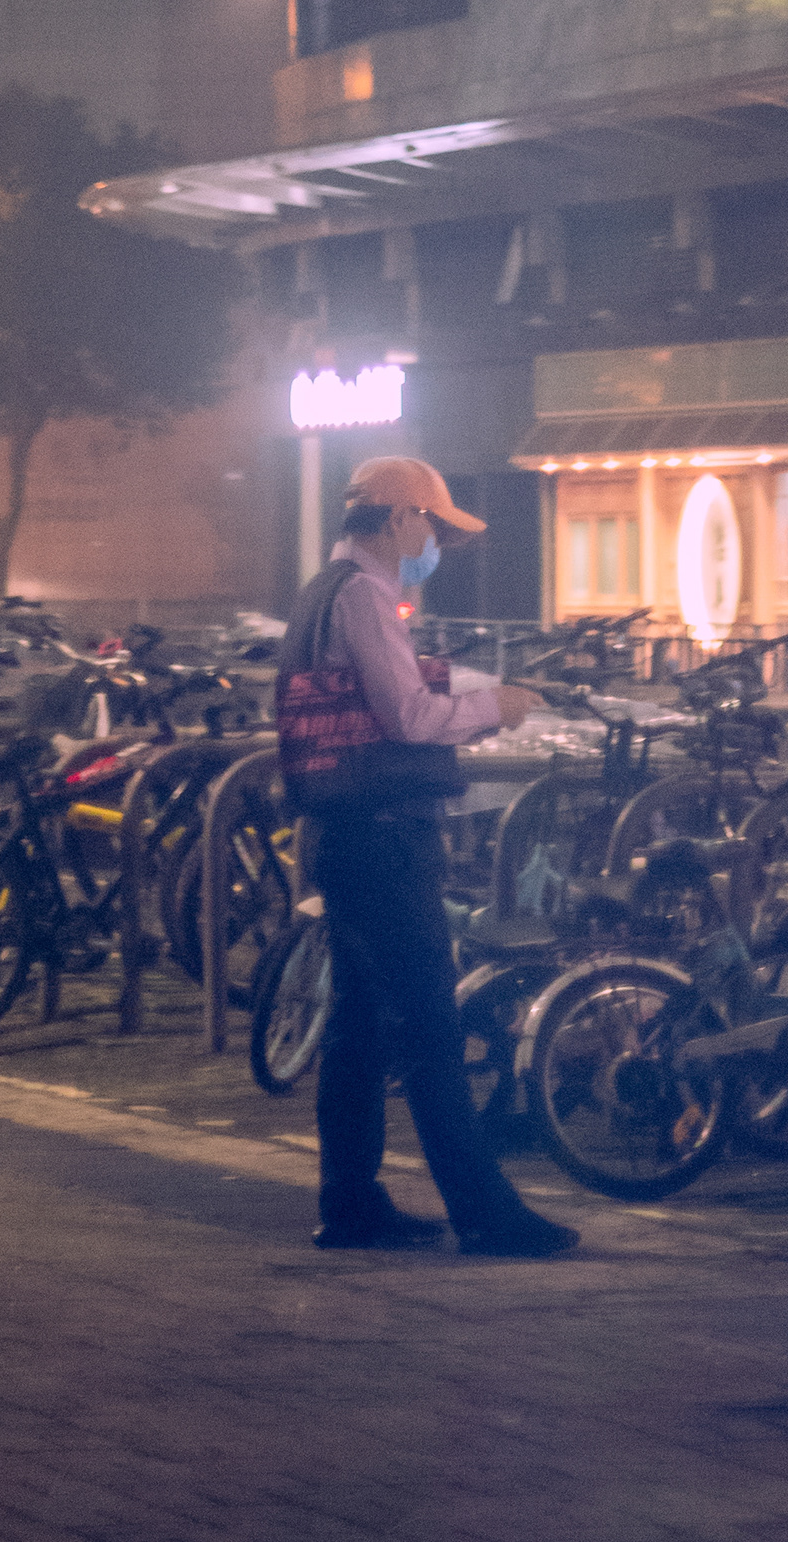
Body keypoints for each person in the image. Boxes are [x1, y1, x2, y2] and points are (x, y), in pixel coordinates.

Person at [273, 453, 581, 1260]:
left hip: (344, 832)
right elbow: (407, 716)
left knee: (358, 1025)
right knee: (430, 1029)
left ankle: (351, 1202)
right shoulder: (366, 599)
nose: (436, 540)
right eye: (433, 524)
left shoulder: (318, 594)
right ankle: (485, 1212)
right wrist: (496, 706)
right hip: (383, 836)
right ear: (400, 518)